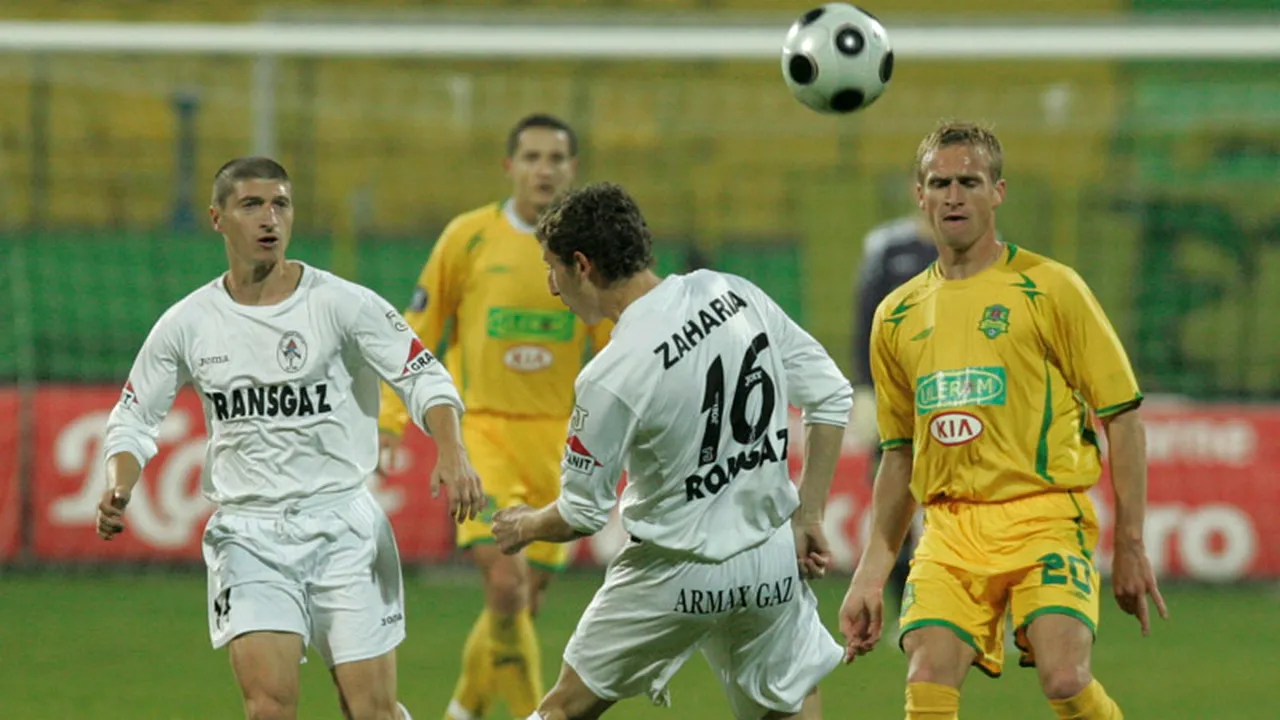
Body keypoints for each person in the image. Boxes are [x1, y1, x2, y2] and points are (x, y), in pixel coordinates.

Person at [95, 157, 484, 720]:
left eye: (280, 203)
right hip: (248, 536)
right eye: (251, 205)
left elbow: (423, 375)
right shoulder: (188, 323)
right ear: (217, 218)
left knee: (370, 711)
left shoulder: (340, 303)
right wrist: (119, 484)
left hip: (343, 528)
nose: (268, 217)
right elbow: (132, 417)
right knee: (268, 709)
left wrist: (452, 450)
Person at [838, 121, 1168, 720]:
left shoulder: (1051, 288)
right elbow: (900, 452)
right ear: (920, 195)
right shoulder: (897, 315)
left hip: (1044, 517)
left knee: (1065, 678)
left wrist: (1131, 544)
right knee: (927, 677)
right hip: (949, 529)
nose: (954, 195)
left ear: (998, 192)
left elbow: (1122, 416)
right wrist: (869, 574)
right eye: (940, 182)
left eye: (970, 181)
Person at [490, 182, 854, 720]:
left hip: (674, 571)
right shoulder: (734, 294)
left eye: (553, 267)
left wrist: (524, 526)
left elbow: (581, 514)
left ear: (583, 265)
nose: (551, 285)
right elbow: (831, 395)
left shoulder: (611, 374)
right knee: (790, 703)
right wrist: (811, 511)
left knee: (564, 709)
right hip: (770, 560)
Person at [376, 113, 611, 720]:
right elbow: (418, 330)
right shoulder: (469, 237)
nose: (544, 169)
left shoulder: (588, 251)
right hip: (481, 431)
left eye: (556, 158)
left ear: (572, 169)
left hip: (560, 443)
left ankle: (463, 710)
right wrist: (388, 420)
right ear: (510, 167)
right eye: (531, 157)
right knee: (504, 589)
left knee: (521, 605)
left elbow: (616, 347)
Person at [852, 212, 937, 616]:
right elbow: (865, 319)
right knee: (894, 499)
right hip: (893, 394)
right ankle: (902, 603)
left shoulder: (976, 245)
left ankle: (984, 605)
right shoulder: (886, 245)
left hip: (952, 392)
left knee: (959, 498)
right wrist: (865, 387)